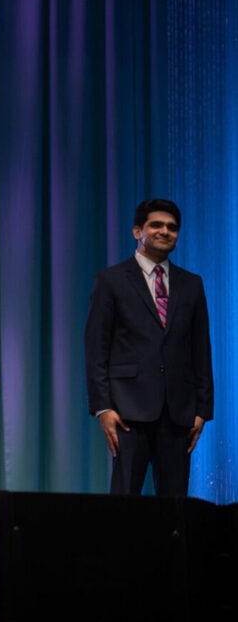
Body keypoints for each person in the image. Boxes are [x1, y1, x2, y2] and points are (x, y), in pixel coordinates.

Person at [84, 198, 212, 496]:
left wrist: (203, 409)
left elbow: (201, 349)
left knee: (175, 507)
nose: (165, 231)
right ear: (137, 231)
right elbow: (96, 349)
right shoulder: (111, 280)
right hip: (127, 411)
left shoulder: (192, 284)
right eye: (156, 225)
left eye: (172, 227)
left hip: (178, 412)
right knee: (124, 502)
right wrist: (103, 407)